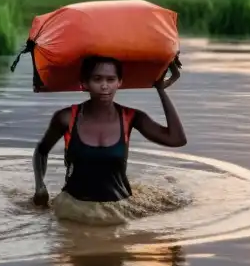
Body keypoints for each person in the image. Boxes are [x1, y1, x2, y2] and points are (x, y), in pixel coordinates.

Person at [31, 55, 186, 211]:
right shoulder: (66, 118)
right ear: (85, 83)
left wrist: (161, 90)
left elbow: (176, 139)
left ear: (119, 82)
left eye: (111, 79)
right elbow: (41, 151)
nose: (104, 86)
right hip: (73, 207)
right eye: (97, 79)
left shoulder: (130, 117)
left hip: (119, 209)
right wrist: (40, 186)